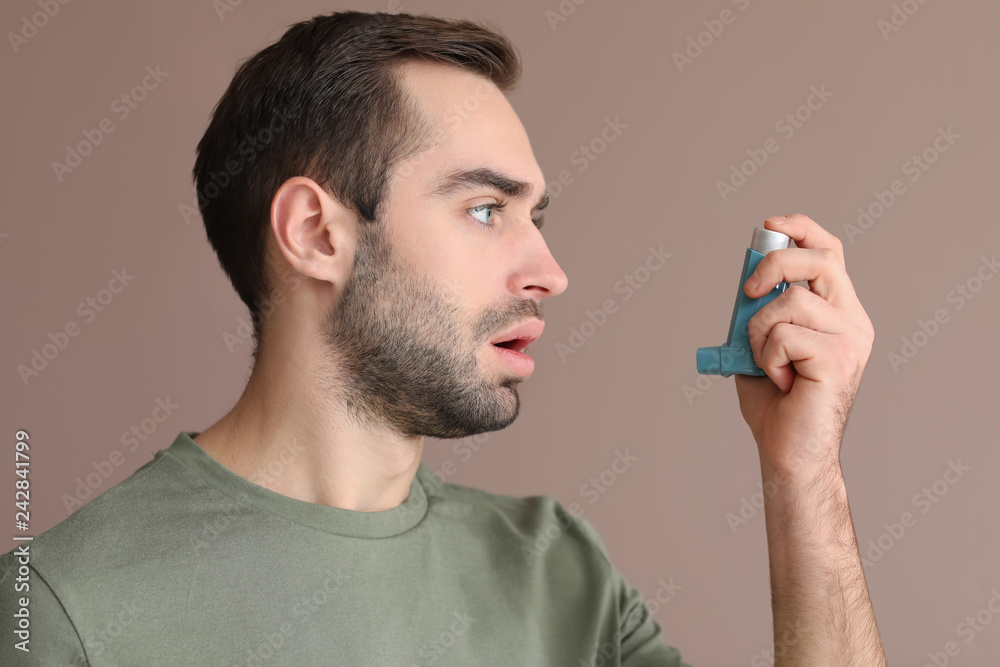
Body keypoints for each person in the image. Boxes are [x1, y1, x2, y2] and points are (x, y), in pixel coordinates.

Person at [1, 10, 886, 666]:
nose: (549, 269)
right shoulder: (55, 611)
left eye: (535, 215)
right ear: (315, 232)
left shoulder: (562, 574)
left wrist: (802, 475)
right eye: (487, 208)